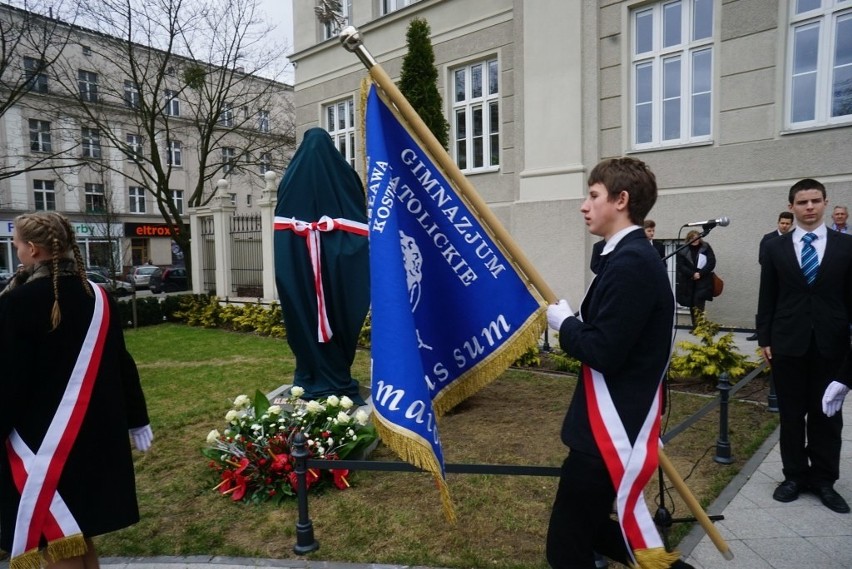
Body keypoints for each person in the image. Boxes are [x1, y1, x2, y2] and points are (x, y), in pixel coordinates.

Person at [546, 158, 692, 569]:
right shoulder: (624, 256)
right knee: (592, 529)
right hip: (610, 427)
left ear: (621, 200)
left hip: (609, 432)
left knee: (566, 548)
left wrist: (566, 325)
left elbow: (605, 351)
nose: (584, 205)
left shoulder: (632, 263)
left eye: (593, 195)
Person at [0, 212, 152, 569]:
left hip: (41, 445)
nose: (16, 251)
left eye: (18, 245)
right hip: (93, 437)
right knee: (75, 534)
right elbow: (122, 363)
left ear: (34, 250)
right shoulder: (98, 296)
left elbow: (8, 379)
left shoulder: (17, 303)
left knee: (55, 539)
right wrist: (137, 419)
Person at [757, 178, 852, 514]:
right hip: (787, 345)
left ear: (825, 203)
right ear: (792, 206)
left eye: (815, 201)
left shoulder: (846, 247)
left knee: (828, 415)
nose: (809, 208)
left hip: (832, 345)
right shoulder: (775, 248)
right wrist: (764, 338)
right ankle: (794, 476)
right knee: (792, 415)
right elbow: (768, 295)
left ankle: (824, 480)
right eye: (802, 202)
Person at [746, 212, 794, 340]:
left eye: (787, 224)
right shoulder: (768, 238)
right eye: (782, 223)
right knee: (766, 303)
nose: (784, 226)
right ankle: (761, 332)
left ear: (791, 225)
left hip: (788, 279)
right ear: (778, 223)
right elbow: (762, 258)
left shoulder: (794, 238)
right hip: (771, 277)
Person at [675, 230, 716, 330]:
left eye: (697, 237)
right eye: (692, 238)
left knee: (699, 302)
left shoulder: (706, 247)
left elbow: (711, 262)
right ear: (688, 239)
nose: (695, 240)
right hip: (689, 281)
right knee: (691, 303)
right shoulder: (683, 250)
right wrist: (692, 274)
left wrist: (700, 274)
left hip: (703, 280)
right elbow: (681, 266)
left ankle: (700, 327)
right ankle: (695, 326)